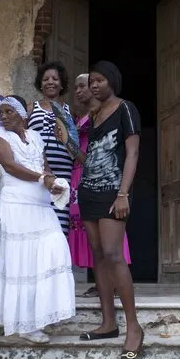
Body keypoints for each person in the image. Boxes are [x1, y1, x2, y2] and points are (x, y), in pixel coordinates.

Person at [0, 95, 75, 344]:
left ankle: (40, 315)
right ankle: (25, 324)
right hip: (17, 205)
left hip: (40, 203)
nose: (3, 117)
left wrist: (53, 183)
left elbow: (44, 166)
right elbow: (10, 166)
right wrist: (42, 179)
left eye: (9, 112)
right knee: (23, 262)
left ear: (22, 114)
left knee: (53, 249)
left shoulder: (36, 137)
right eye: (2, 113)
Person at [77, 61, 144, 359]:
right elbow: (89, 155)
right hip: (88, 191)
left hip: (112, 191)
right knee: (98, 256)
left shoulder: (125, 109)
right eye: (91, 81)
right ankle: (108, 323)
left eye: (99, 80)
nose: (93, 85)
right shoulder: (93, 115)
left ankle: (134, 326)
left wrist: (123, 194)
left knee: (114, 255)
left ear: (112, 81)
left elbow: (131, 153)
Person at [63, 74, 132, 298]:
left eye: (83, 86)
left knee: (108, 234)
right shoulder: (82, 116)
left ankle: (112, 282)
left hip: (100, 174)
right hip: (79, 176)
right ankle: (101, 282)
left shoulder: (107, 115)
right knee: (88, 232)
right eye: (76, 87)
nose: (79, 91)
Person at [27, 61, 74, 234]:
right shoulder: (31, 108)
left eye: (55, 79)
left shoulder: (70, 111)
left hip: (64, 174)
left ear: (62, 84)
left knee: (60, 228)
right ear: (40, 83)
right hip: (37, 174)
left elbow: (75, 143)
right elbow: (20, 136)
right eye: (46, 79)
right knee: (38, 226)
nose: (50, 82)